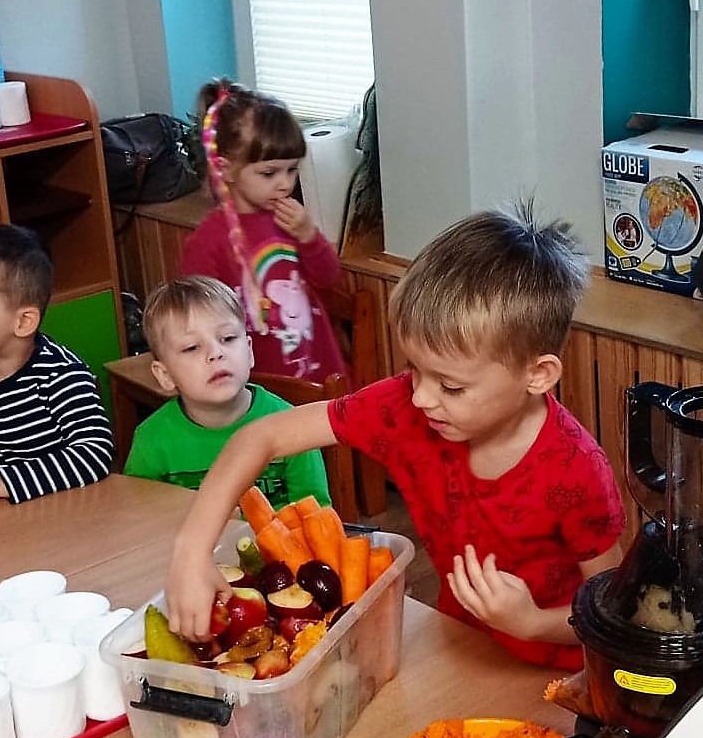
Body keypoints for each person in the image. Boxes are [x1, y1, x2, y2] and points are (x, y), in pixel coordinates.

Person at [167, 203, 626, 668]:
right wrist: (191, 550)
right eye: (414, 369)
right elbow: (260, 437)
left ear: (538, 375)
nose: (421, 397)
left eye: (450, 386)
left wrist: (531, 622)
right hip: (460, 644)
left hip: (560, 670)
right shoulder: (404, 406)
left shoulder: (576, 469)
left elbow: (614, 612)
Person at [181, 79, 346, 383]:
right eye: (269, 173)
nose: (285, 184)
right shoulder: (208, 240)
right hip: (257, 386)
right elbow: (200, 320)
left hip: (318, 375)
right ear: (225, 169)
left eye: (292, 170)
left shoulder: (291, 218)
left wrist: (308, 236)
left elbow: (329, 278)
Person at [0, 224, 114, 502]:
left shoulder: (61, 374)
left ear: (23, 322)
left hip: (68, 510)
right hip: (0, 517)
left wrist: (1, 481)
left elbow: (95, 454)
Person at [124, 275, 330, 504]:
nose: (216, 353)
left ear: (249, 351)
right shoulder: (151, 441)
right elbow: (141, 516)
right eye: (191, 347)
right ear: (165, 375)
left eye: (228, 338)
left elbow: (317, 514)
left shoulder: (293, 428)